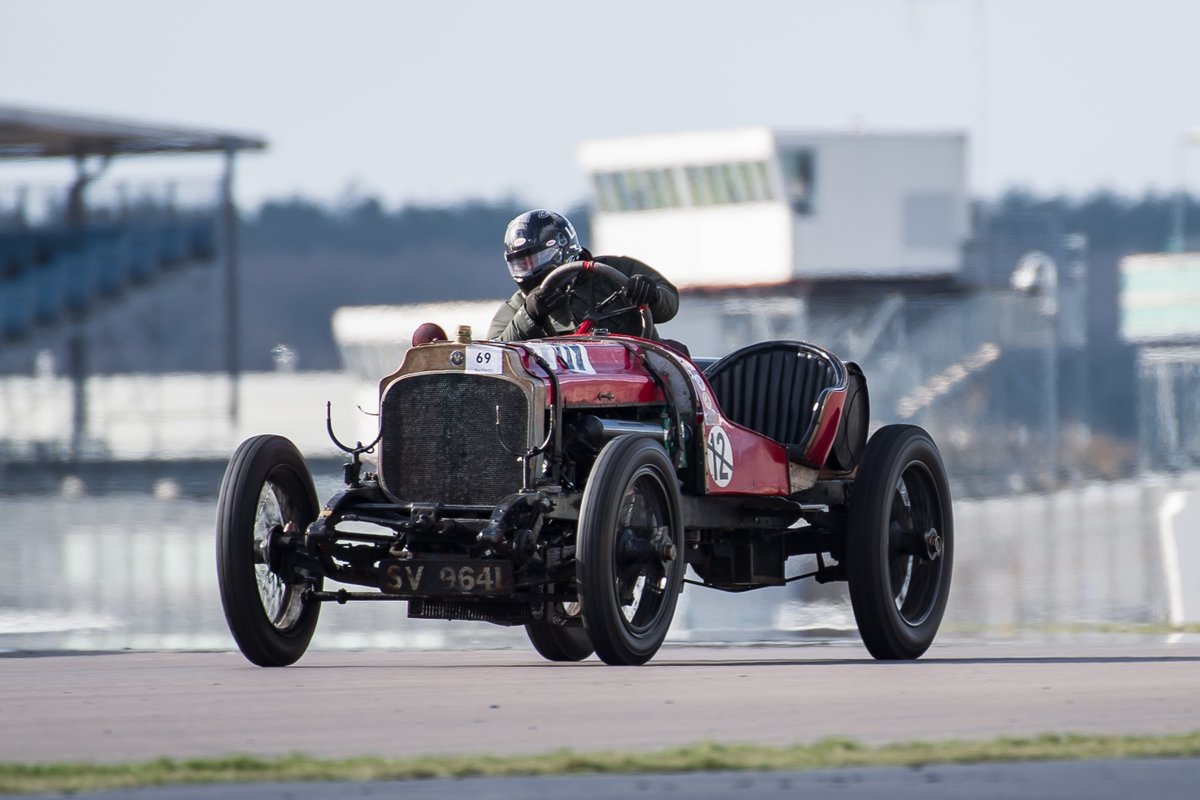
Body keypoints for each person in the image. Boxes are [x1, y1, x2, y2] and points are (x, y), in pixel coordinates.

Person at [488, 209, 679, 342]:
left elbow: (669, 303)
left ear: (564, 248)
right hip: (565, 390)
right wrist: (529, 316)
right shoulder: (518, 306)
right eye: (522, 263)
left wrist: (653, 295)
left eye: (537, 258)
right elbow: (494, 355)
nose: (529, 269)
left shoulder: (616, 268)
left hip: (637, 370)